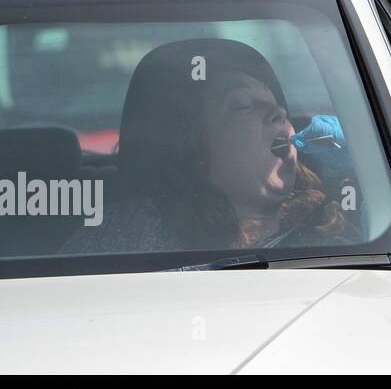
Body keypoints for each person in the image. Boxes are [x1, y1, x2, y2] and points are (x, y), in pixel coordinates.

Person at [62, 38, 355, 254]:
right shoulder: (122, 245)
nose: (279, 113)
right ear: (192, 146)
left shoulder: (339, 227)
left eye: (277, 104)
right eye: (243, 104)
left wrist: (368, 175)